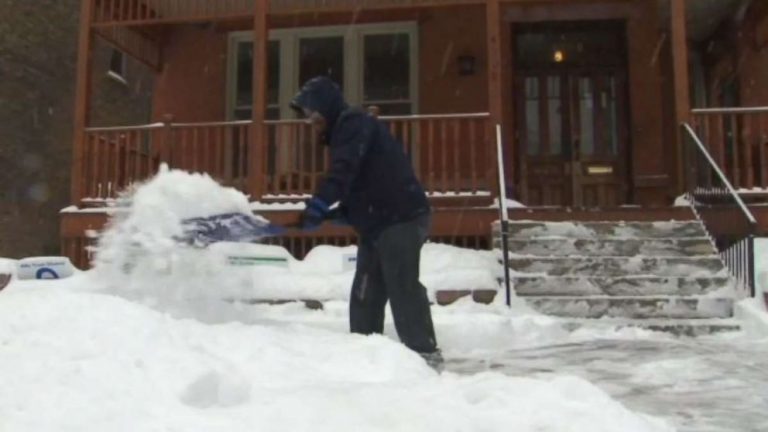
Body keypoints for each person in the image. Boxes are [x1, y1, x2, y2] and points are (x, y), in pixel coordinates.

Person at [290, 76, 442, 369]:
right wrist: (335, 213)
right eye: (307, 116)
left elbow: (344, 171)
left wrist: (319, 205)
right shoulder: (345, 134)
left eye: (313, 113)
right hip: (377, 223)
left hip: (402, 218)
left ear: (327, 107)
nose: (311, 121)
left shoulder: (353, 124)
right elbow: (362, 185)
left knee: (402, 286)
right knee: (365, 294)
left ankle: (426, 358)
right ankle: (364, 357)